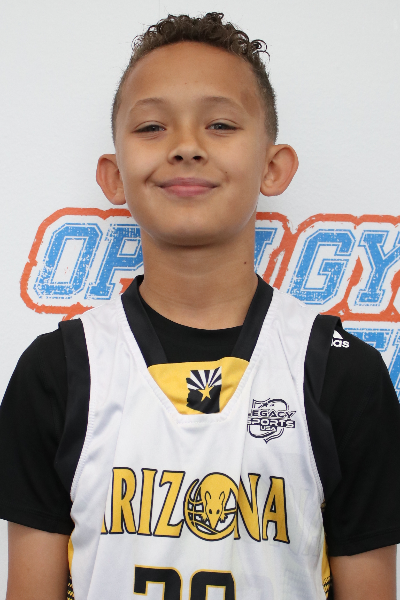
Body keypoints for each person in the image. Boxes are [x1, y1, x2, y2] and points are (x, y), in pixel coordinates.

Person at [1, 12, 399, 600]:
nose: (186, 147)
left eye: (219, 124)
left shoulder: (344, 375)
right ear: (114, 177)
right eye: (152, 127)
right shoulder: (56, 372)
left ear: (272, 167)